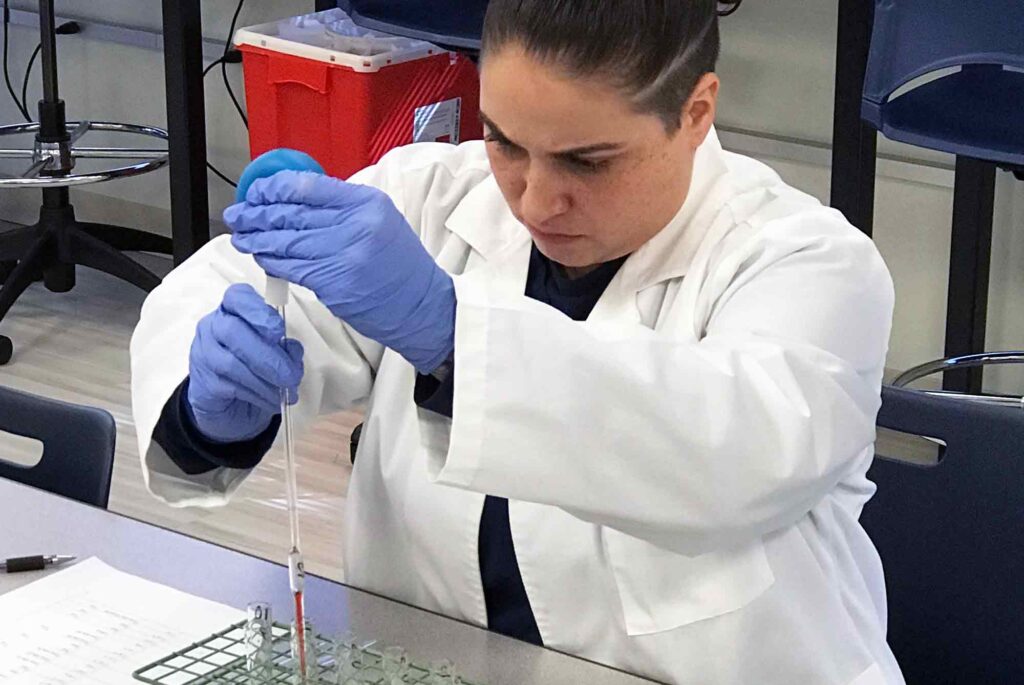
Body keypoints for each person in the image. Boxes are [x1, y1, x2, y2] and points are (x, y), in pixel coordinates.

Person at [131, 1, 904, 683]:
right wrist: (210, 410)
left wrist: (452, 339)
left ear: (696, 112)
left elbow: (735, 455)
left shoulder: (808, 263)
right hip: (424, 663)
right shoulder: (429, 196)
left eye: (587, 161)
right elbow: (213, 288)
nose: (535, 198)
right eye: (505, 142)